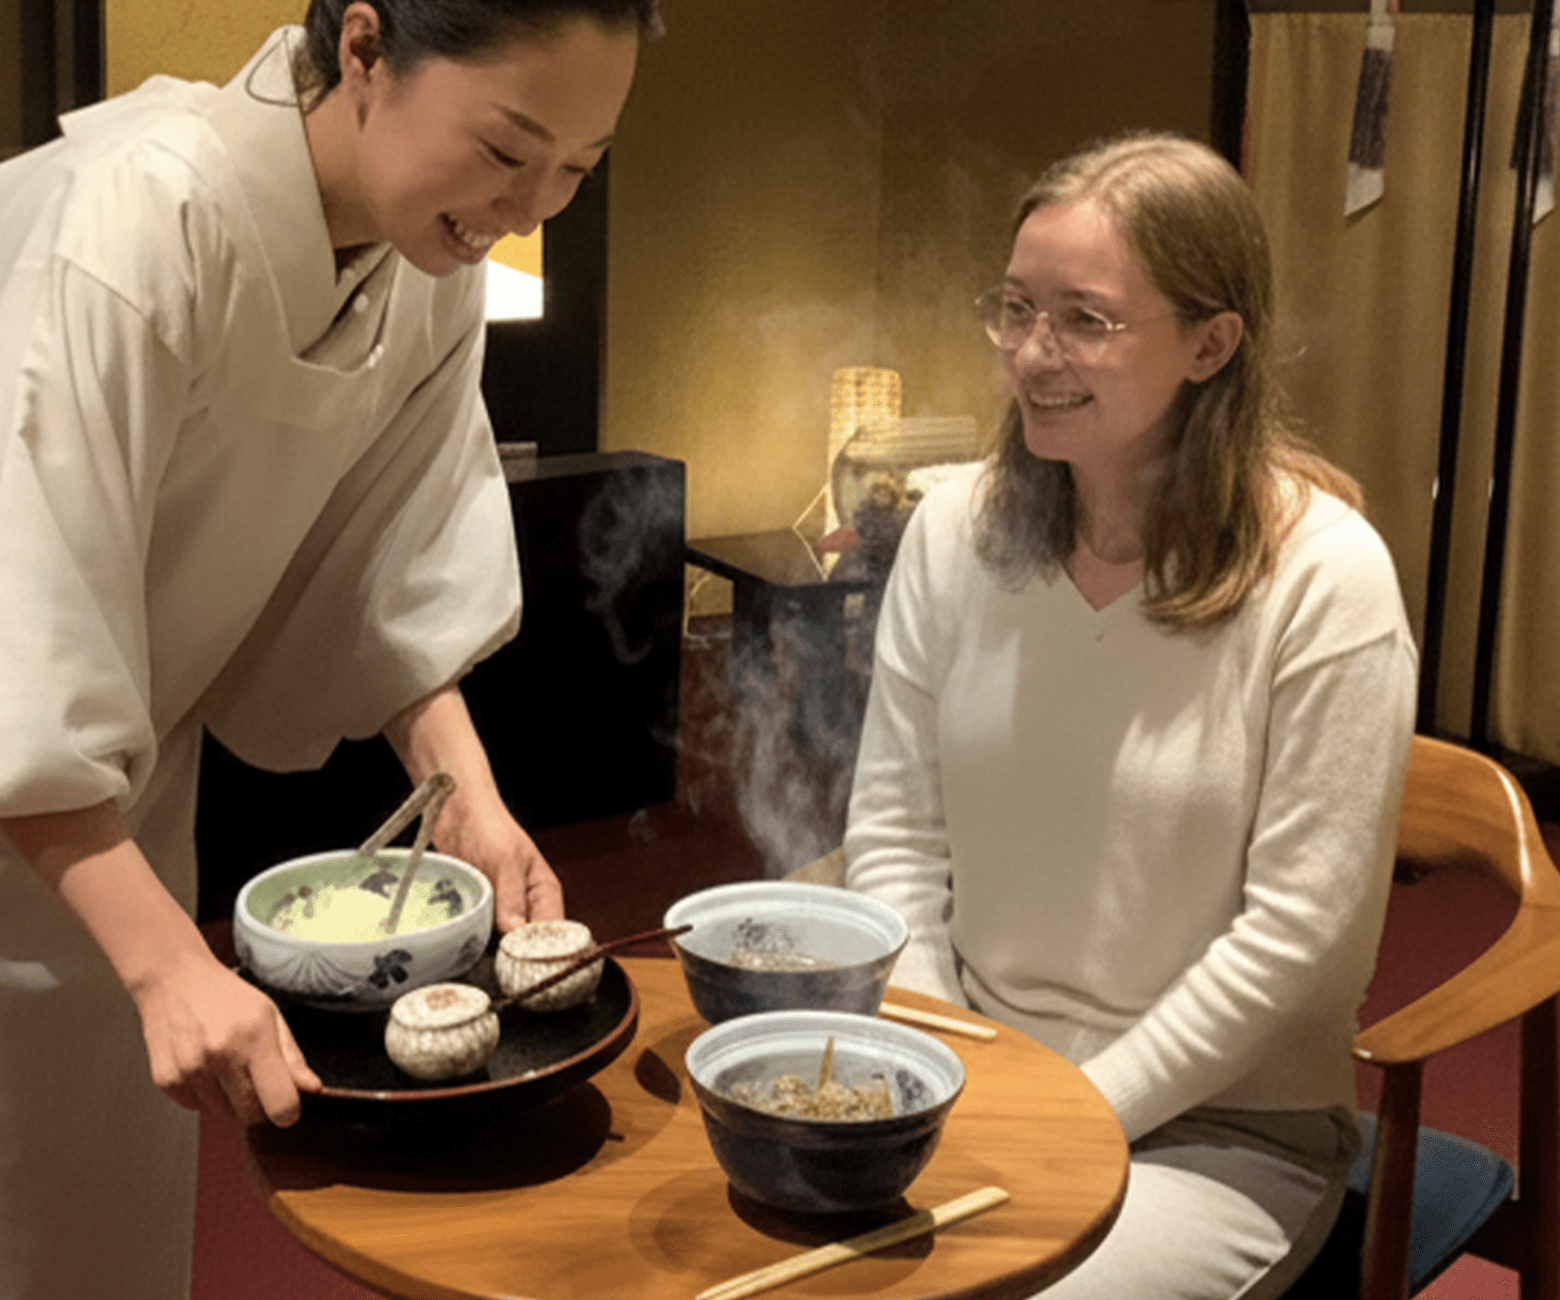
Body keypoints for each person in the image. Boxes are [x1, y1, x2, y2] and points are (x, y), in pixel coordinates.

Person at [0, 0, 658, 1294]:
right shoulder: (137, 220)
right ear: (364, 49)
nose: (534, 206)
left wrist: (468, 800)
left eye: (577, 170)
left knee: (92, 1226)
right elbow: (22, 617)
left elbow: (390, 559)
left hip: (108, 799)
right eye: (508, 148)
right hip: (48, 774)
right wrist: (165, 960)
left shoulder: (432, 268)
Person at [845, 133, 1417, 1298]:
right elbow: (897, 835)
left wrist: (1073, 1113)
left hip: (1224, 1130)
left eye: (1085, 320)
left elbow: (1301, 945)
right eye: (1014, 308)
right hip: (978, 1079)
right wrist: (957, 1067)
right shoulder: (957, 531)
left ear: (1213, 344)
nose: (1030, 353)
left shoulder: (1326, 579)